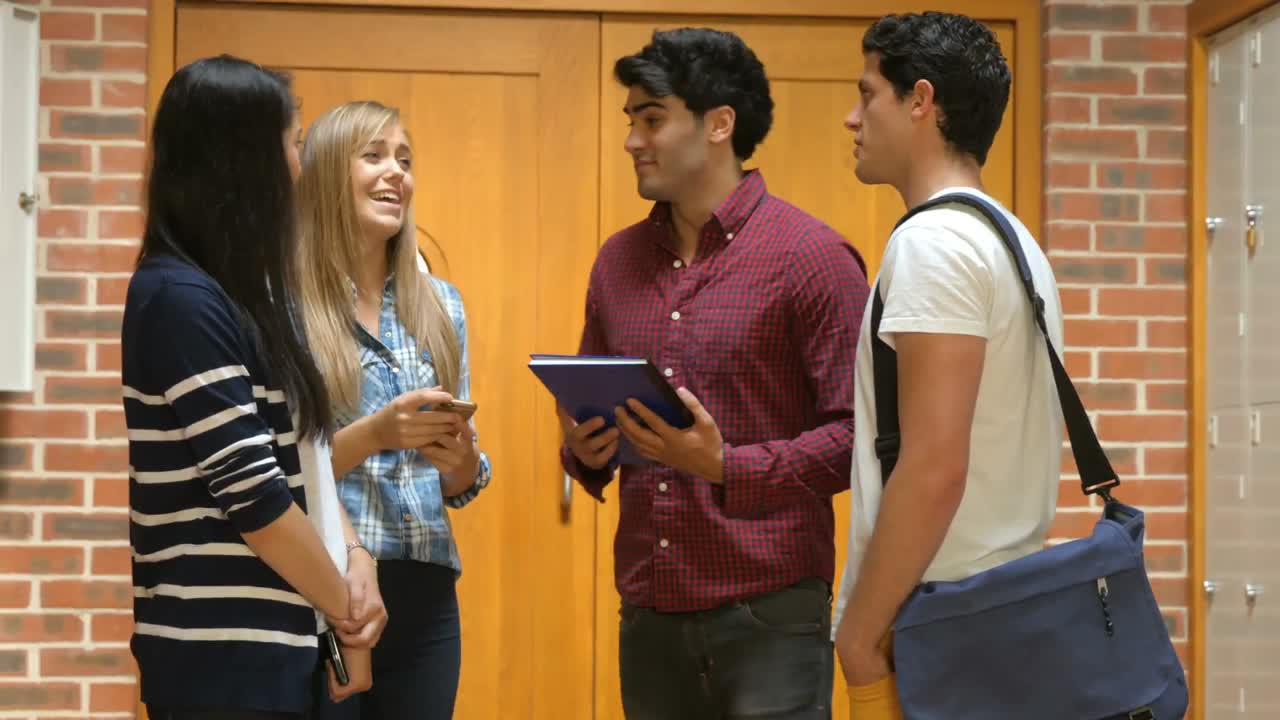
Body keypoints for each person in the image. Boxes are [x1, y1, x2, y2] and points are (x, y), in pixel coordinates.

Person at [559, 27, 870, 720]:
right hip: (648, 613)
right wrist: (584, 449)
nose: (634, 139)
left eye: (652, 119)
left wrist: (726, 464)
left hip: (771, 615)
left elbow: (859, 439)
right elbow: (590, 413)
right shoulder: (616, 262)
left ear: (720, 124)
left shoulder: (812, 257)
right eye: (630, 121)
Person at [123, 55, 383, 719]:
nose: (300, 168)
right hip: (223, 661)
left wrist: (356, 559)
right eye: (292, 145)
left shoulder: (247, 296)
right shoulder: (177, 298)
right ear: (242, 162)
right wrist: (345, 610)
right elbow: (256, 502)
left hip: (289, 643)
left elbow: (304, 457)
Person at [832, 12, 1064, 718]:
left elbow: (935, 466)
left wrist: (860, 636)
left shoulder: (935, 244)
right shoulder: (1011, 239)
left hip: (941, 624)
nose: (852, 117)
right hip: (996, 614)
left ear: (920, 100)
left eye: (868, 93)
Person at [296, 100, 492, 720]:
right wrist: (377, 434)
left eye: (404, 161)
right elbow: (281, 466)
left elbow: (461, 483)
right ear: (328, 172)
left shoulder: (441, 304)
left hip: (428, 591)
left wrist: (461, 459)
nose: (396, 174)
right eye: (375, 156)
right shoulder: (288, 305)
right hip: (329, 587)